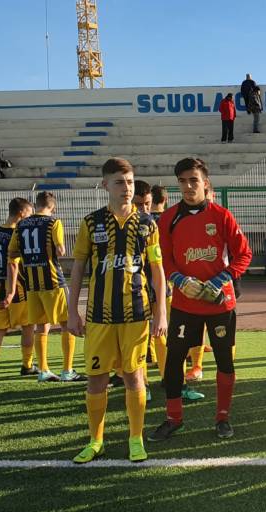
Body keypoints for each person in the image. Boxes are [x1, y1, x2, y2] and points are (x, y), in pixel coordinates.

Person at [68, 158, 166, 464]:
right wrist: (72, 311)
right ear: (105, 185)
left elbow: (158, 271)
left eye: (130, 182)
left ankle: (135, 438)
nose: (127, 188)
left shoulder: (148, 224)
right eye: (120, 182)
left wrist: (161, 313)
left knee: (134, 376)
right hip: (99, 316)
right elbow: (78, 268)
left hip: (136, 313)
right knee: (96, 380)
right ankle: (96, 440)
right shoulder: (91, 223)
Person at [151, 157, 253, 442]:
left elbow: (244, 254)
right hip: (184, 304)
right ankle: (174, 418)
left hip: (220, 303)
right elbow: (165, 260)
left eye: (193, 180)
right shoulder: (169, 218)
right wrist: (180, 280)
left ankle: (222, 417)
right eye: (182, 181)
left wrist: (222, 279)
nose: (187, 186)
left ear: (205, 184)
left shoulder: (222, 216)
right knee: (173, 362)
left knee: (224, 361)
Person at [5, 191, 84, 383]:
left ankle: (44, 370)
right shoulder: (54, 223)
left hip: (32, 284)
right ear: (52, 207)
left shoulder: (21, 224)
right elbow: (61, 249)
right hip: (53, 281)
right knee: (67, 324)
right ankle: (67, 370)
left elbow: (12, 252)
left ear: (37, 204)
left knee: (41, 327)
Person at [146, 184, 206, 404]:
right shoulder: (172, 219)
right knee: (176, 337)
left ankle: (157, 383)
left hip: (147, 288)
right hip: (163, 288)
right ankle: (175, 380)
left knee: (158, 339)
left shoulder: (161, 220)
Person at [0, 197, 36, 382]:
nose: (30, 218)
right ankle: (27, 365)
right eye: (29, 214)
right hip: (17, 287)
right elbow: (15, 263)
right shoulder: (18, 234)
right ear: (21, 213)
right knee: (28, 327)